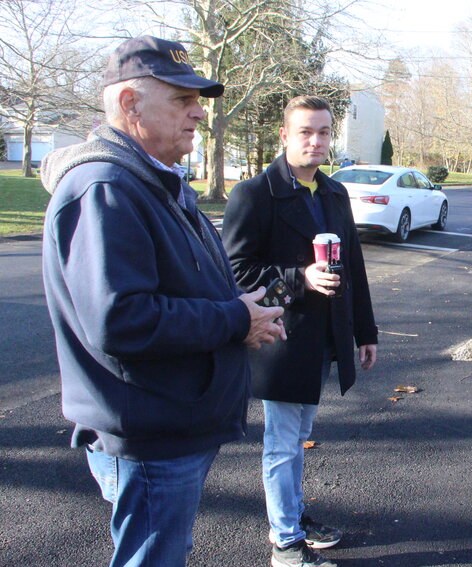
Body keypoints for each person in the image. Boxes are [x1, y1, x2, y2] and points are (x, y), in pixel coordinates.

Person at [40, 36, 285, 567]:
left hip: (172, 425)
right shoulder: (105, 187)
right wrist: (233, 318)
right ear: (129, 104)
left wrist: (238, 309)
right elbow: (121, 320)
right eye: (180, 99)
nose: (199, 112)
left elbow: (171, 289)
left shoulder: (153, 182)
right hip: (150, 435)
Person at [222, 95, 378, 567]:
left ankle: (292, 514)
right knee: (283, 441)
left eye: (324, 132)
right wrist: (298, 279)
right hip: (281, 338)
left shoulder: (334, 193)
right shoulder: (254, 194)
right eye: (306, 132)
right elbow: (233, 270)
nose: (316, 141)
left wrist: (365, 330)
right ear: (285, 136)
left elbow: (353, 265)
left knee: (297, 435)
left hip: (325, 335)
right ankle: (286, 542)